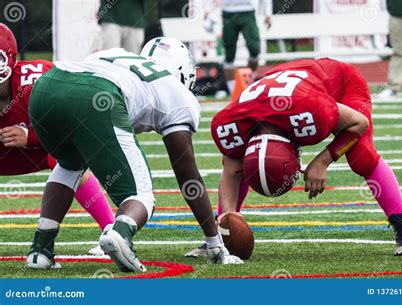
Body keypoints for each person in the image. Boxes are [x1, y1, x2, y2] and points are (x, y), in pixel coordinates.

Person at [26, 37, 242, 272]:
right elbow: (186, 171)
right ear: (183, 71)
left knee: (70, 164)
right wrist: (213, 240)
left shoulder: (119, 54)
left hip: (48, 85)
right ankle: (119, 233)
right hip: (98, 95)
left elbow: (82, 80)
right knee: (141, 195)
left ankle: (40, 250)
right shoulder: (177, 93)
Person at [186, 58, 402, 257]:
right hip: (286, 79)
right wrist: (226, 224)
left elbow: (359, 123)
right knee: (243, 159)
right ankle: (214, 239)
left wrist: (323, 160)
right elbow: (232, 169)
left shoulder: (311, 111)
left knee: (361, 156)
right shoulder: (231, 123)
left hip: (337, 82)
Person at [0, 23, 115, 257]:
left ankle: (110, 229)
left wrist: (30, 136)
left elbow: (72, 126)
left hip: (46, 145)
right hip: (6, 153)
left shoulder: (37, 80)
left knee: (66, 157)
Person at [204, 0, 272, 93]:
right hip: (228, 12)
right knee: (229, 54)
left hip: (248, 12)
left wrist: (267, 13)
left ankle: (248, 81)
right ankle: (232, 90)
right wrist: (207, 9)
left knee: (254, 49)